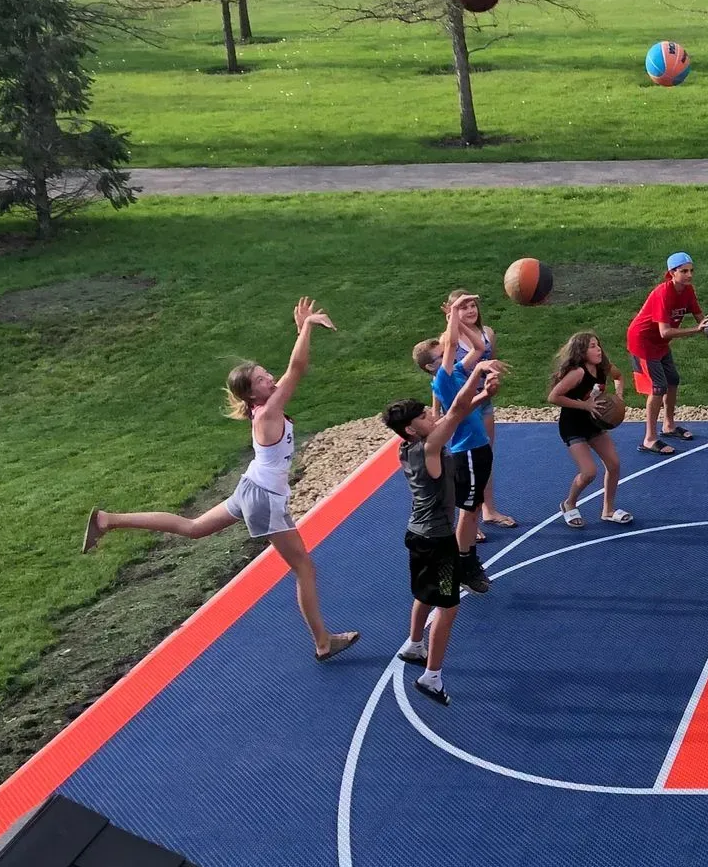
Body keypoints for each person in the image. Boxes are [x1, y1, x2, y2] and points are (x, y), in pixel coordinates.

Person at [83, 297, 360, 662]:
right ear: (252, 393)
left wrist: (300, 333)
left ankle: (109, 520)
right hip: (263, 498)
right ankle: (323, 641)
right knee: (304, 568)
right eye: (263, 378)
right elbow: (298, 367)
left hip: (250, 489)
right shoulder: (267, 413)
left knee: (194, 527)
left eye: (267, 374)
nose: (270, 378)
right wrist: (306, 329)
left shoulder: (263, 408)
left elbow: (292, 367)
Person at [382, 355, 501, 706]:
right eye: (422, 416)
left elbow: (458, 412)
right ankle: (431, 676)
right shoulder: (430, 446)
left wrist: (480, 398)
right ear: (410, 430)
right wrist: (477, 372)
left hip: (417, 535)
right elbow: (455, 409)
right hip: (438, 540)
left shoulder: (408, 448)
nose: (431, 414)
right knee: (448, 607)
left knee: (423, 593)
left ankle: (414, 644)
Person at [413, 295, 502, 594]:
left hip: (476, 444)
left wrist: (462, 323)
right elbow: (452, 346)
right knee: (468, 510)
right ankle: (465, 562)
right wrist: (453, 312)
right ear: (431, 367)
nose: (447, 356)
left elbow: (478, 347)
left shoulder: (455, 374)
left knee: (471, 508)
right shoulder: (442, 378)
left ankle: (464, 561)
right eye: (441, 356)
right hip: (468, 450)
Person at [442, 290, 517, 532]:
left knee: (485, 457)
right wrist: (437, 411)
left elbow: (490, 360)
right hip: (463, 406)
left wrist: (494, 374)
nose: (470, 310)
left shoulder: (488, 333)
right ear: (453, 312)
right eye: (463, 307)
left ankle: (488, 510)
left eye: (473, 306)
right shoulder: (446, 339)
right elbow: (440, 379)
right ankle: (467, 520)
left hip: (483, 401)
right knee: (466, 461)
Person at [545, 331, 632, 528]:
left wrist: (618, 397)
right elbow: (554, 397)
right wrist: (585, 406)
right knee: (589, 472)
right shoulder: (578, 373)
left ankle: (608, 510)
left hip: (594, 424)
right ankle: (569, 504)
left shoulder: (603, 368)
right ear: (581, 352)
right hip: (573, 426)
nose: (598, 349)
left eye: (598, 345)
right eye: (592, 346)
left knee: (614, 464)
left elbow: (619, 377)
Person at [625, 251, 708, 456]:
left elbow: (700, 318)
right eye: (684, 271)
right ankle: (649, 439)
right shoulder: (663, 293)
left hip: (660, 344)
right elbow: (665, 331)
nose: (689, 275)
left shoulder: (688, 291)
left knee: (673, 380)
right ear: (671, 273)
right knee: (658, 388)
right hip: (643, 342)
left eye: (691, 271)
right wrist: (695, 331)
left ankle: (669, 425)